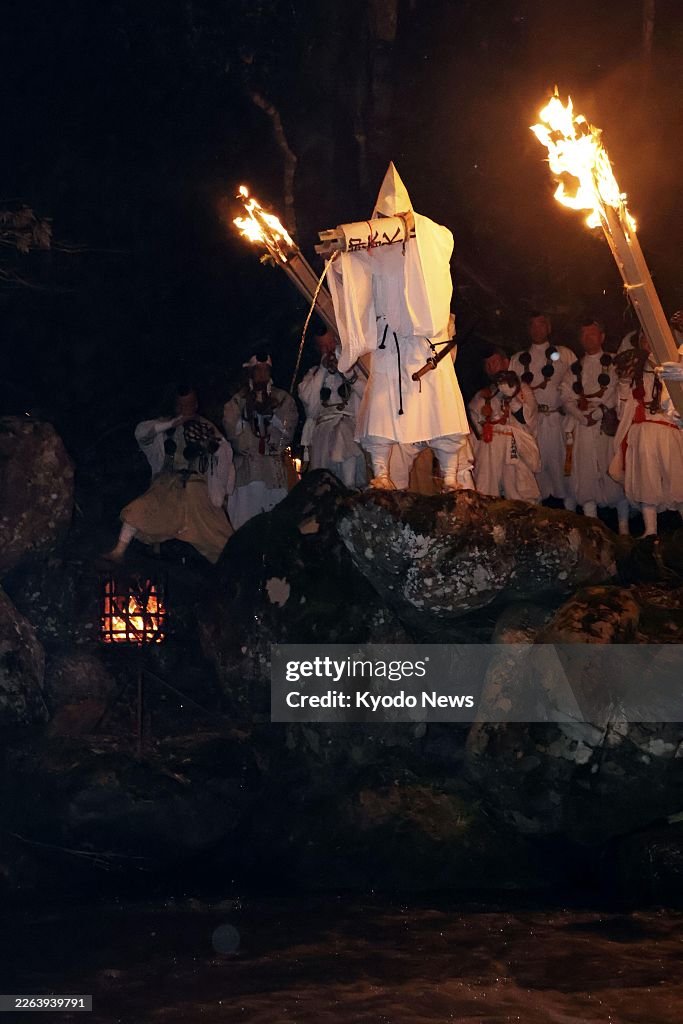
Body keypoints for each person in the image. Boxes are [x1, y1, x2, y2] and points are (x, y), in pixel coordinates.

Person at [327, 162, 472, 491]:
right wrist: (339, 260)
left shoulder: (429, 237)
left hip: (424, 343)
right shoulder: (372, 252)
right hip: (388, 344)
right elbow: (350, 278)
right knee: (381, 410)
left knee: (440, 410)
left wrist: (412, 224)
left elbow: (443, 239)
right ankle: (381, 474)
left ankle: (449, 476)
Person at [104, 385, 234, 564]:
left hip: (197, 490)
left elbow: (224, 454)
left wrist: (209, 444)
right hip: (167, 486)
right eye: (180, 406)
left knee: (221, 542)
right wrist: (172, 424)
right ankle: (118, 552)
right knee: (139, 509)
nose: (184, 410)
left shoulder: (207, 427)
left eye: (188, 405)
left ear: (195, 405)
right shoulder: (166, 427)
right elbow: (141, 433)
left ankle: (235, 572)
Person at [609, 335, 683, 536]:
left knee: (678, 480)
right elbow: (623, 408)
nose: (648, 343)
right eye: (644, 339)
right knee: (646, 481)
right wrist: (624, 381)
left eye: (651, 338)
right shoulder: (637, 371)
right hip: (644, 432)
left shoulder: (675, 363)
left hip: (670, 429)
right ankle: (650, 531)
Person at [561, 319, 629, 533]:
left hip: (605, 424)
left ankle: (624, 526)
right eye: (584, 335)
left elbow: (618, 389)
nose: (588, 338)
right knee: (584, 472)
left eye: (593, 334)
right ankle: (593, 526)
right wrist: (581, 417)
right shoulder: (575, 368)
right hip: (582, 426)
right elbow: (566, 395)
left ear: (602, 336)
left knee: (613, 469)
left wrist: (600, 412)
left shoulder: (614, 363)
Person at [223, 351, 298, 530]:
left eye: (266, 370)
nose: (262, 375)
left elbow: (288, 428)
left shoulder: (282, 398)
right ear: (251, 372)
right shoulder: (238, 400)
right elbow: (231, 427)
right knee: (247, 516)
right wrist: (247, 415)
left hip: (273, 468)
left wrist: (272, 416)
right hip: (248, 467)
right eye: (258, 370)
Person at [509, 312, 575, 505]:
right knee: (533, 466)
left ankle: (571, 514)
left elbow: (575, 386)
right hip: (531, 423)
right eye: (533, 325)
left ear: (549, 327)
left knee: (563, 466)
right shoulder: (518, 359)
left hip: (557, 420)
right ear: (528, 329)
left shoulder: (564, 354)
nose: (537, 329)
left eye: (542, 324)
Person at [297, 326, 367, 487]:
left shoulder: (356, 368)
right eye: (323, 346)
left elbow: (368, 394)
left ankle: (350, 485)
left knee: (342, 431)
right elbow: (311, 407)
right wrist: (322, 369)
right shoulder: (313, 374)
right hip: (323, 428)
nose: (328, 350)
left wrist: (346, 372)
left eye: (331, 344)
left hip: (350, 425)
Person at [469, 349, 541, 501]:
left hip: (514, 447)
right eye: (487, 364)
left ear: (506, 362)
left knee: (520, 492)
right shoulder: (484, 394)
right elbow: (474, 425)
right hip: (490, 451)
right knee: (486, 490)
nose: (491, 367)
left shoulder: (523, 390)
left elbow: (527, 419)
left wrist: (510, 395)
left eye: (494, 362)